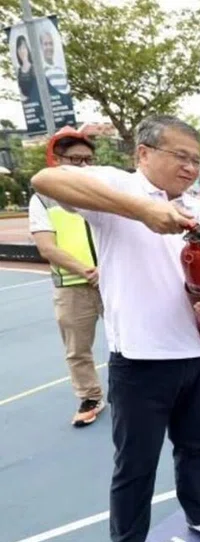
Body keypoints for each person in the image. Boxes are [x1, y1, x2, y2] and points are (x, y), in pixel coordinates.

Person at [30, 115, 200, 542]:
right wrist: (142, 211)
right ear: (144, 154)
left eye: (196, 159)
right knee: (135, 463)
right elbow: (45, 180)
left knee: (196, 445)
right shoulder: (116, 189)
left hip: (199, 351)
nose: (191, 167)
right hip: (140, 361)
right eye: (180, 156)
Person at [28, 127, 104, 427]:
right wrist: (87, 271)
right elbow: (47, 247)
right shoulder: (43, 199)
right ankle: (90, 396)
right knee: (77, 350)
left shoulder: (105, 191)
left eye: (88, 159)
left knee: (134, 338)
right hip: (73, 288)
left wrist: (108, 271)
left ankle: (145, 392)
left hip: (114, 281)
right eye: (75, 159)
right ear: (58, 161)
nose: (83, 166)